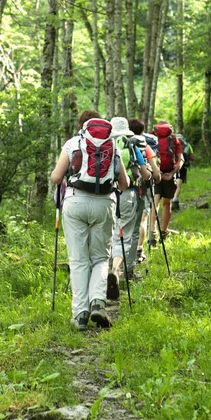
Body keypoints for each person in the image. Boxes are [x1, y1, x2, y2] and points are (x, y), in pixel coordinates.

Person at [50, 110, 130, 331]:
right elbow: (124, 184)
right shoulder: (112, 145)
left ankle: (80, 314)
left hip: (75, 203)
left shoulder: (73, 143)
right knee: (100, 258)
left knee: (78, 260)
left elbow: (56, 177)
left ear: (81, 125)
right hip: (104, 204)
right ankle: (97, 301)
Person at [107, 117, 152, 300]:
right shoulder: (132, 146)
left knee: (110, 233)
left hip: (107, 195)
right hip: (128, 194)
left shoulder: (105, 146)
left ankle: (106, 270)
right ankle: (120, 270)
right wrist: (148, 171)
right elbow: (145, 173)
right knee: (127, 234)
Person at [126, 118, 161, 264]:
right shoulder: (144, 145)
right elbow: (156, 173)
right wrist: (157, 176)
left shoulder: (119, 144)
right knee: (142, 219)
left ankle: (121, 253)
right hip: (142, 188)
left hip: (124, 188)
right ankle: (138, 250)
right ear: (142, 131)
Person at [150, 120, 183, 244]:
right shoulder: (174, 140)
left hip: (156, 174)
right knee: (167, 204)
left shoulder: (152, 137)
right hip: (169, 174)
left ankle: (152, 233)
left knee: (155, 203)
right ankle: (164, 231)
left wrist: (156, 172)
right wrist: (172, 174)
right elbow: (179, 160)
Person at [171, 133, 194, 211]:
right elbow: (192, 157)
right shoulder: (187, 145)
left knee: (172, 183)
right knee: (178, 184)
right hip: (183, 166)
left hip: (172, 166)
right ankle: (175, 199)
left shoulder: (171, 144)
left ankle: (170, 200)